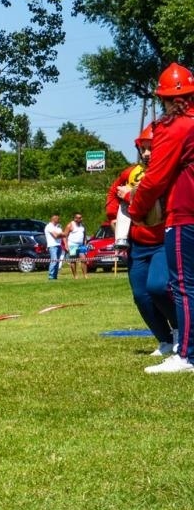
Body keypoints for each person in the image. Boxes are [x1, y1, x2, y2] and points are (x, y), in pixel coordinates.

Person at [128, 63, 194, 373]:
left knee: (183, 285)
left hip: (185, 213)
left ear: (165, 99)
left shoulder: (173, 125)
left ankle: (187, 354)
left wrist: (136, 210)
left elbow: (154, 179)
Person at [107, 127, 175, 357]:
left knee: (158, 287)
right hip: (138, 245)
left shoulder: (168, 172)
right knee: (141, 295)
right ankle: (165, 341)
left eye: (151, 148)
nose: (146, 153)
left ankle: (179, 331)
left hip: (163, 241)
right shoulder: (129, 173)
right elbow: (113, 193)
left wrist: (130, 195)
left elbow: (145, 196)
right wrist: (112, 219)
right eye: (143, 148)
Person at [65, 212, 87, 278]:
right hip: (72, 245)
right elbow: (64, 236)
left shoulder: (83, 226)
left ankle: (85, 275)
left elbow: (84, 236)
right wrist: (66, 245)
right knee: (73, 261)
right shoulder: (70, 225)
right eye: (79, 218)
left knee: (84, 259)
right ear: (75, 218)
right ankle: (75, 276)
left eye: (81, 217)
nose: (81, 219)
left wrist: (85, 244)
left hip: (81, 245)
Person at [44, 214, 65, 280]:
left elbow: (63, 235)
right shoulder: (49, 226)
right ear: (54, 219)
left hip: (59, 245)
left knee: (57, 262)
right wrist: (62, 234)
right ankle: (51, 276)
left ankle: (55, 276)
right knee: (54, 261)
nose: (59, 220)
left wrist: (62, 235)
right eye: (58, 219)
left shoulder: (59, 227)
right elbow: (55, 236)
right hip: (52, 246)